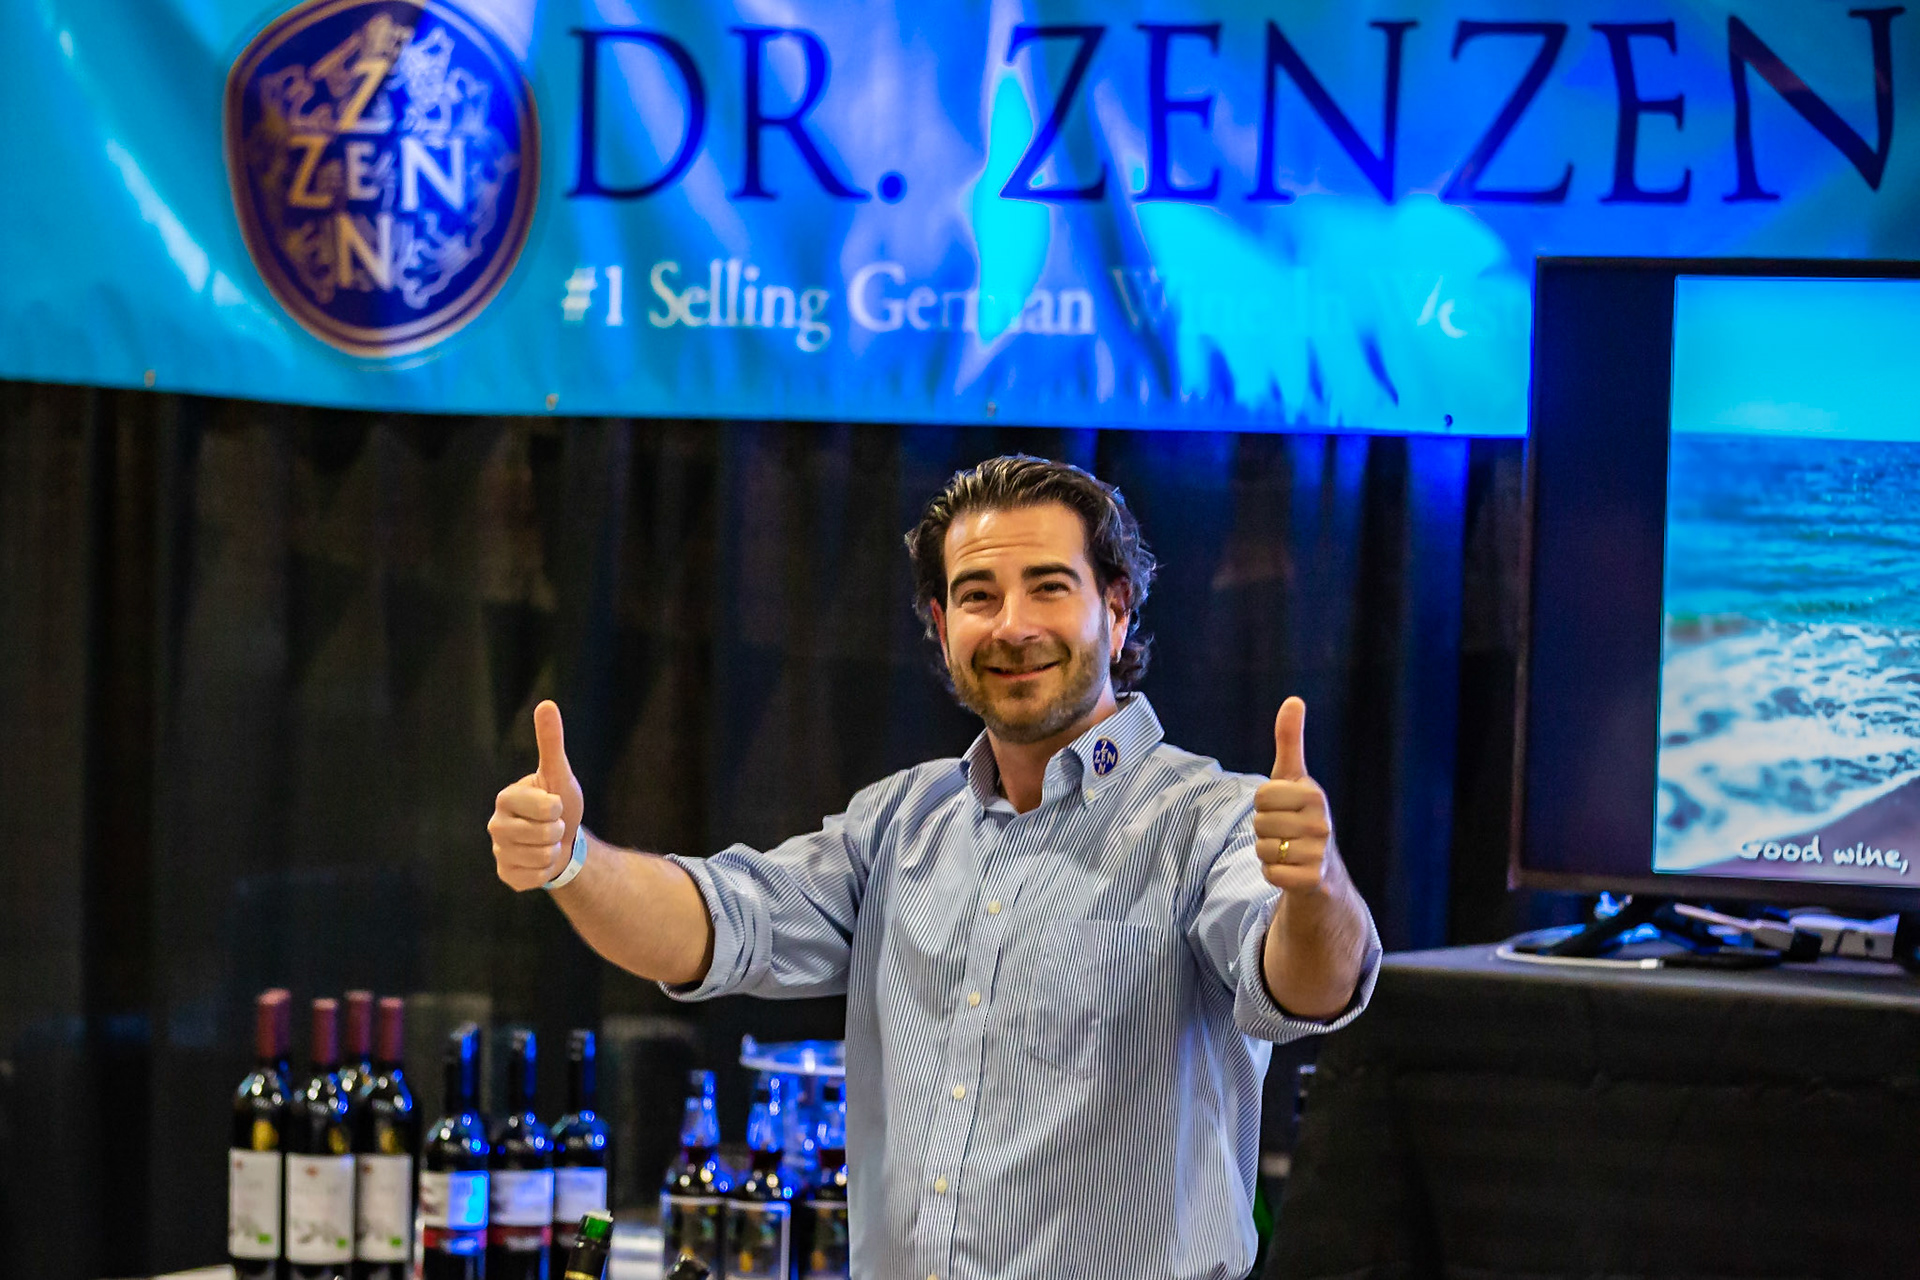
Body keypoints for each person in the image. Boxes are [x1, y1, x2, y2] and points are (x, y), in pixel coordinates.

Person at [488, 454, 1380, 1280]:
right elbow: (716, 924)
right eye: (978, 595)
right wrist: (572, 860)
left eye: (1049, 587)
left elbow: (1310, 987)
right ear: (943, 625)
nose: (1013, 625)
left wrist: (1315, 884)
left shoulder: (1211, 820)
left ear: (1115, 610)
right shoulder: (898, 823)